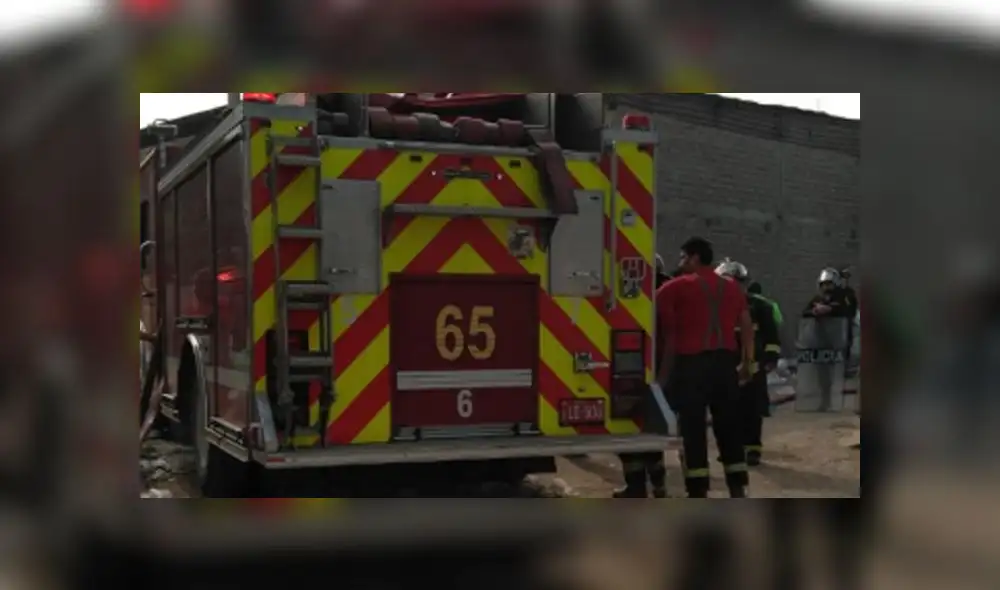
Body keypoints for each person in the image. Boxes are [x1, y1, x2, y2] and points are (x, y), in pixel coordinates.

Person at [656, 237, 754, 498]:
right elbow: (745, 325)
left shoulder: (672, 289)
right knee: (729, 426)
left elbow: (666, 334)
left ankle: (698, 489)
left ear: (694, 258)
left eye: (682, 258)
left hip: (691, 367)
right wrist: (747, 361)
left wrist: (662, 376)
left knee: (693, 429)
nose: (680, 263)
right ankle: (737, 486)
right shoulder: (733, 288)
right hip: (725, 364)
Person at [614, 253, 671, 498]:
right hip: (659, 367)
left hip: (633, 363)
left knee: (628, 426)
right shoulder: (667, 290)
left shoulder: (638, 291)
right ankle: (658, 484)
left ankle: (636, 487)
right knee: (652, 430)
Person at [715, 260, 782, 466]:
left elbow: (772, 337)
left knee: (752, 410)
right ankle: (732, 450)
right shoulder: (714, 307)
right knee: (726, 411)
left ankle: (752, 449)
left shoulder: (761, 306)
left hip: (753, 366)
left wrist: (770, 359)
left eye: (737, 282)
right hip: (723, 368)